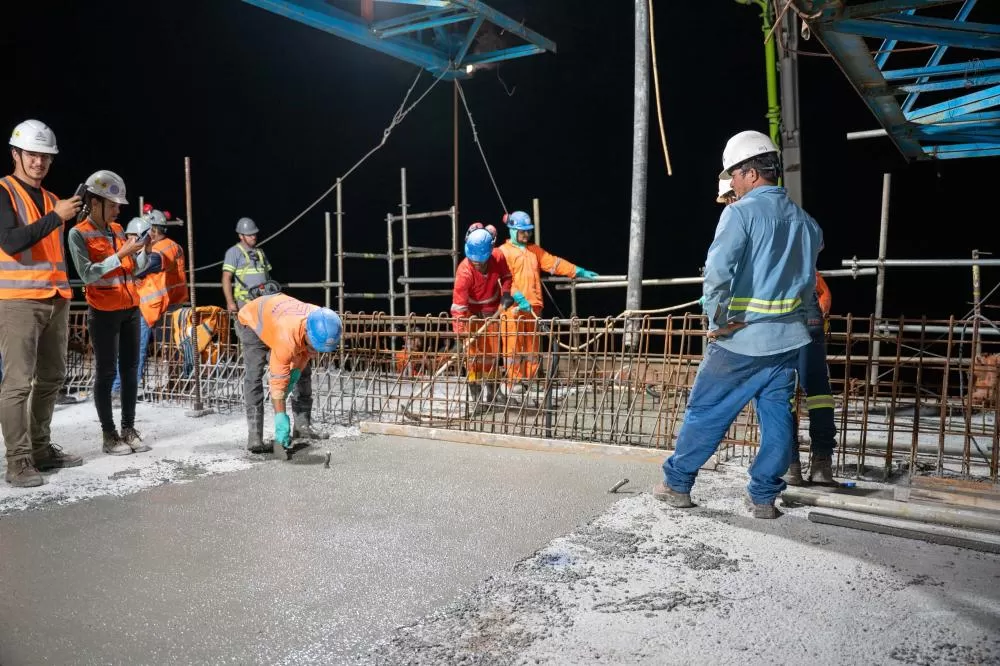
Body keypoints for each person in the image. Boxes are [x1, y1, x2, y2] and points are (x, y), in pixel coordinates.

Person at [653, 130, 822, 519]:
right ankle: (763, 497)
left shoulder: (739, 213)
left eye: (733, 175)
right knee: (777, 416)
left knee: (707, 410)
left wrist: (718, 320)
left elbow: (717, 273)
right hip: (787, 342)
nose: (731, 183)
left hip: (741, 339)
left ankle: (677, 484)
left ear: (748, 173)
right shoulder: (806, 222)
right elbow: (806, 277)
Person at [0, 119, 83, 487]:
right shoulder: (3, 191)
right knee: (18, 384)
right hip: (18, 301)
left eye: (46, 156)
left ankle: (40, 449)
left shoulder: (53, 200)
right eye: (32, 154)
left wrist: (63, 215)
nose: (39, 162)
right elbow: (12, 242)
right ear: (16, 153)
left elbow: (50, 250)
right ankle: (17, 462)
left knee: (51, 377)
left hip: (56, 299)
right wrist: (56, 218)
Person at [68, 170, 152, 456]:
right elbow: (87, 275)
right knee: (105, 373)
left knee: (130, 372)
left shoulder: (117, 231)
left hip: (130, 308)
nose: (118, 210)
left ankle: (128, 429)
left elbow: (131, 269)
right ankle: (109, 435)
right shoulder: (77, 234)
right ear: (95, 202)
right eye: (114, 204)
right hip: (103, 312)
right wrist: (122, 254)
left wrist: (142, 253)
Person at [496, 210, 598, 397]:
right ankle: (514, 381)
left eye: (528, 231)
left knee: (533, 347)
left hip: (533, 306)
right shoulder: (503, 253)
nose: (526, 235)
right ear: (512, 230)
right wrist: (517, 297)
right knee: (513, 345)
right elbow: (503, 281)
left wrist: (577, 271)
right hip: (513, 308)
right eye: (522, 231)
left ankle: (531, 379)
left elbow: (554, 263)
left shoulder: (534, 251)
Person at [237, 294, 341, 452]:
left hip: (277, 315)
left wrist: (295, 373)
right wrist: (281, 418)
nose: (315, 353)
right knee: (254, 374)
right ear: (307, 333)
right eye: (314, 347)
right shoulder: (287, 337)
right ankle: (255, 437)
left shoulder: (322, 322)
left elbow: (304, 355)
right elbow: (278, 380)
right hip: (253, 320)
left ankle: (302, 426)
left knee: (304, 373)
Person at [112, 209, 188, 395]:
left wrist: (130, 274)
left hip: (152, 305)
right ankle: (179, 381)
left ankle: (121, 389)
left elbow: (150, 263)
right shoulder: (172, 245)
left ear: (152, 231)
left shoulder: (162, 248)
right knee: (172, 346)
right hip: (167, 303)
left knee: (136, 349)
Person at [451, 226, 513, 410]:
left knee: (492, 355)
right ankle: (476, 397)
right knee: (473, 356)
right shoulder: (464, 272)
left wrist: (506, 293)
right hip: (470, 312)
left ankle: (493, 394)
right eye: (473, 260)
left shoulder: (498, 257)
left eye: (480, 261)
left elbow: (507, 276)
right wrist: (461, 336)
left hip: (492, 309)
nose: (476, 264)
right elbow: (459, 307)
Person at [786, 271, 838, 485]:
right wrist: (819, 316)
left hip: (784, 326)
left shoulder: (773, 260)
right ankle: (821, 466)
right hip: (812, 323)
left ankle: (789, 464)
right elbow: (824, 293)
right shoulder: (806, 262)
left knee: (781, 394)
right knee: (819, 395)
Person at [222, 217, 272, 315]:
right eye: (250, 235)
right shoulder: (234, 252)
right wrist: (230, 302)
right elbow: (226, 278)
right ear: (241, 236)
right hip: (245, 302)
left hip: (263, 301)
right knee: (246, 330)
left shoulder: (260, 252)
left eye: (254, 234)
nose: (253, 237)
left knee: (263, 330)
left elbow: (268, 277)